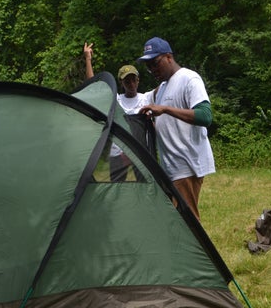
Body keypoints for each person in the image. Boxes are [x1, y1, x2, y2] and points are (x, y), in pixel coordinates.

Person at [136, 37, 215, 221]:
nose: (152, 70)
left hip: (186, 165)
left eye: (155, 63)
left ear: (169, 57)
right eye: (148, 66)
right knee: (176, 221)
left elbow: (205, 116)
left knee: (188, 224)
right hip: (170, 167)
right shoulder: (162, 88)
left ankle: (200, 251)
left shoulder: (189, 79)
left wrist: (165, 109)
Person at [83, 42, 153, 182]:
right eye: (127, 81)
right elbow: (93, 87)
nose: (131, 84)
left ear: (138, 80)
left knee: (145, 187)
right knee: (117, 186)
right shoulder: (116, 100)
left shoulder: (147, 98)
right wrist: (88, 59)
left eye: (134, 80)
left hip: (139, 153)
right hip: (117, 153)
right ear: (121, 83)